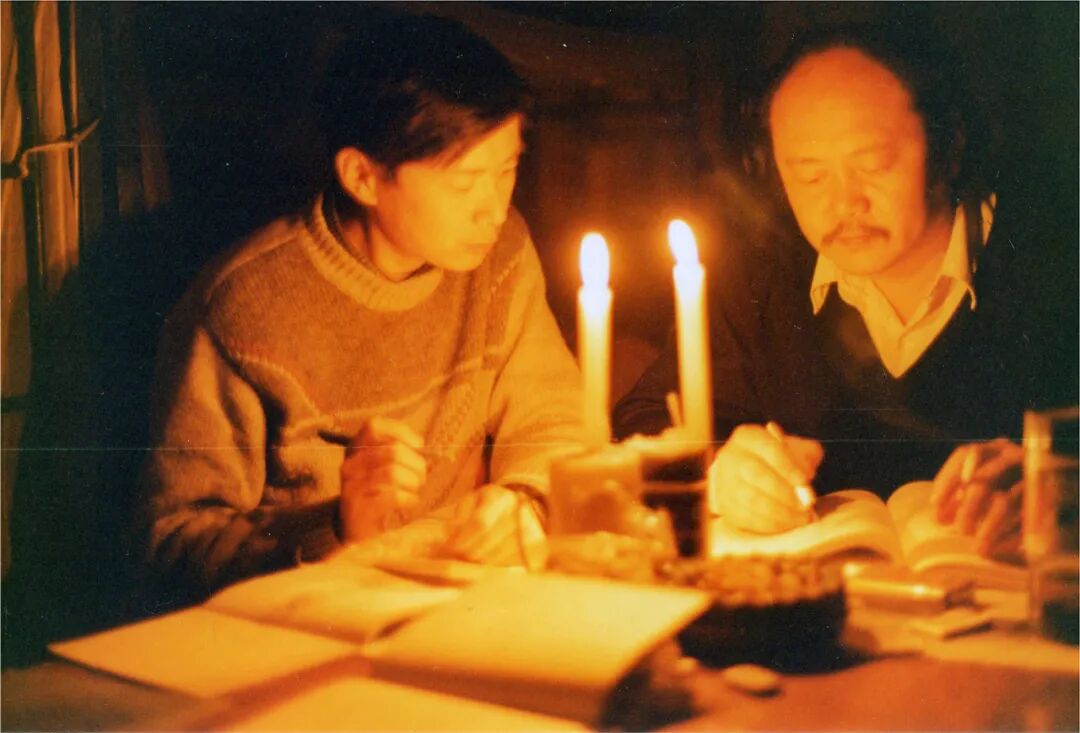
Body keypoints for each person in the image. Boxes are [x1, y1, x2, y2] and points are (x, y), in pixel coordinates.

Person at [136, 13, 581, 603]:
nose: (494, 209)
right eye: (465, 182)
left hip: (458, 603)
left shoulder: (500, 257)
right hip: (307, 619)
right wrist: (336, 527)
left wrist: (525, 501)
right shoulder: (239, 307)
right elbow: (173, 543)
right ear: (362, 177)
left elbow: (555, 418)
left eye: (507, 170)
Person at [613, 22, 1078, 556]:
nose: (844, 204)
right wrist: (718, 472)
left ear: (949, 147)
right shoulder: (762, 277)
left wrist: (1062, 482)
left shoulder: (1056, 259)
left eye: (874, 165)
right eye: (810, 176)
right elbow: (641, 422)